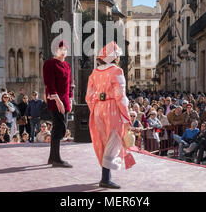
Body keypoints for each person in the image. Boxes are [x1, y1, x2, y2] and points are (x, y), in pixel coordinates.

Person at [85, 41, 136, 189]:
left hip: (97, 109)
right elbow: (120, 96)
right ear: (114, 57)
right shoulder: (117, 71)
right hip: (112, 108)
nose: (119, 58)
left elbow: (88, 96)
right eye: (118, 55)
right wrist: (126, 117)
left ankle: (105, 176)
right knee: (113, 141)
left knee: (101, 140)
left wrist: (94, 108)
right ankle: (105, 178)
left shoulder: (95, 72)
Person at [43, 40, 74, 168]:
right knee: (59, 129)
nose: (63, 52)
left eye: (65, 50)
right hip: (55, 100)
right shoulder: (49, 64)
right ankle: (56, 158)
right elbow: (49, 83)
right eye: (61, 49)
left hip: (65, 100)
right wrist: (57, 100)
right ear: (55, 50)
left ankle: (52, 157)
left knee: (61, 127)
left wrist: (70, 99)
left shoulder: (67, 65)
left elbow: (69, 84)